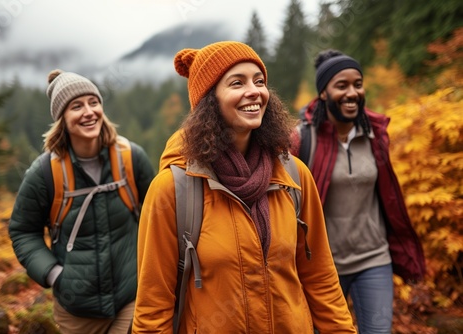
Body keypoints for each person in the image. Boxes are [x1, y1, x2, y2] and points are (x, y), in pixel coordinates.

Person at [132, 41, 357, 333]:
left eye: (259, 81)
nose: (255, 91)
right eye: (236, 82)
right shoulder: (173, 189)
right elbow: (153, 305)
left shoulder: (294, 176)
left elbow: (321, 279)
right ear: (209, 100)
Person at [290, 50, 426, 333]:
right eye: (342, 85)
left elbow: (389, 199)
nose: (352, 93)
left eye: (358, 84)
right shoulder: (302, 139)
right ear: (323, 93)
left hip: (374, 260)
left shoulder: (375, 135)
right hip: (322, 267)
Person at [9, 70, 155, 334]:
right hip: (77, 310)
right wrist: (54, 274)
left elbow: (159, 216)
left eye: (94, 102)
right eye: (77, 106)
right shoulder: (44, 173)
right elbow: (23, 231)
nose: (89, 112)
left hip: (132, 297)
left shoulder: (131, 158)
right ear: (62, 118)